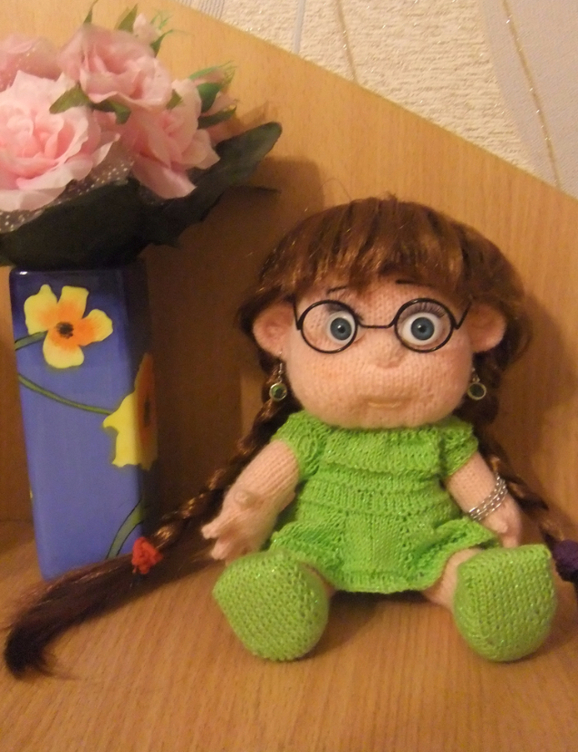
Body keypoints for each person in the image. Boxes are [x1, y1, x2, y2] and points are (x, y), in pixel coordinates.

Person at [5, 196, 576, 675]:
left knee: (463, 565)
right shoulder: (307, 435)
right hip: (321, 544)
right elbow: (262, 488)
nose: (385, 354)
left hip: (432, 545)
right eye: (340, 326)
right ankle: (280, 597)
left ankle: (487, 593)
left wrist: (499, 518)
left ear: (478, 332)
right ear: (280, 333)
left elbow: (479, 490)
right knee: (293, 565)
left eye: (420, 326)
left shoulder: (445, 439)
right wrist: (244, 517)